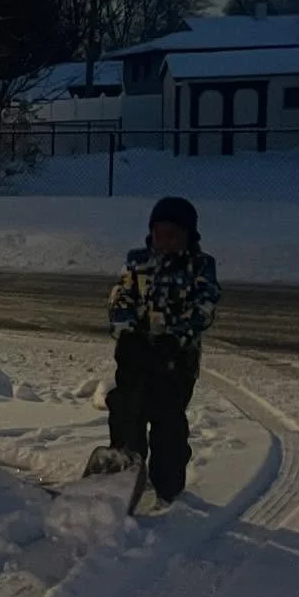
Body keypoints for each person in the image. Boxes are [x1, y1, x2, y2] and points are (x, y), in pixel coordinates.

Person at [101, 195, 221, 506]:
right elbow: (120, 299)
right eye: (159, 233)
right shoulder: (138, 261)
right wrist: (126, 334)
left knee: (167, 420)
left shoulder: (200, 266)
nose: (164, 240)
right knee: (127, 410)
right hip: (136, 355)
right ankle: (125, 472)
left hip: (175, 361)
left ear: (187, 236)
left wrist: (174, 337)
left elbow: (204, 308)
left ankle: (168, 489)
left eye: (172, 234)